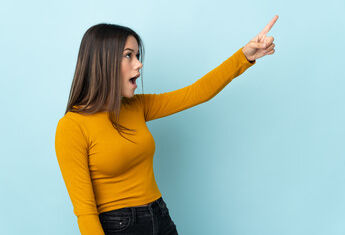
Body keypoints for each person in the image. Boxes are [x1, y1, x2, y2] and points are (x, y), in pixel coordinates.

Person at [55, 15, 278, 235]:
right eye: (128, 56)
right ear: (103, 62)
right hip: (119, 226)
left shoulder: (137, 106)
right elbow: (85, 212)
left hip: (159, 216)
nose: (139, 63)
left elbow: (197, 92)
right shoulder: (72, 126)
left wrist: (244, 57)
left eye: (138, 55)